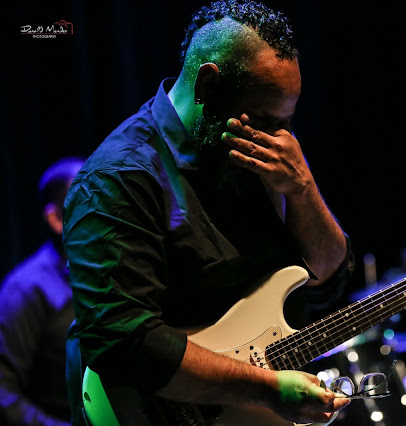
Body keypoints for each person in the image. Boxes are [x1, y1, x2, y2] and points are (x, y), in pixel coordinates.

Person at [62, 1, 355, 425]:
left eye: (286, 121)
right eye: (265, 119)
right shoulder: (118, 176)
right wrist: (266, 388)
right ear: (208, 85)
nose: (281, 137)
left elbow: (328, 283)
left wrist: (303, 189)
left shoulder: (259, 156)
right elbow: (124, 339)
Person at [0, 156, 85, 425]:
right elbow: (4, 393)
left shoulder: (113, 268)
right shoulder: (25, 289)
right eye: (87, 202)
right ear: (56, 218)